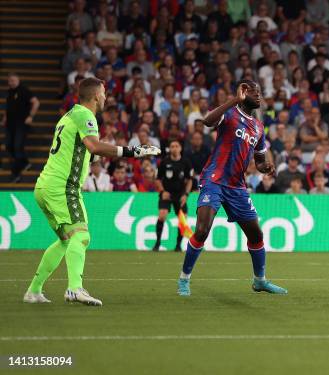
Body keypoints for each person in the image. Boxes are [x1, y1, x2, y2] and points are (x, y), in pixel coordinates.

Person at [24, 77, 160, 306]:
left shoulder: (69, 115)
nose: (106, 97)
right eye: (104, 93)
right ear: (96, 95)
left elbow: (83, 152)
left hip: (45, 186)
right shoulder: (85, 116)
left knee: (67, 241)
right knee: (82, 236)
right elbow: (94, 146)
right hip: (62, 188)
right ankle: (74, 289)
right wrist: (133, 151)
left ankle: (33, 291)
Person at [177, 80, 287, 296]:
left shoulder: (258, 127)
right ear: (244, 93)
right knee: (202, 229)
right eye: (255, 92)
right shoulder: (229, 113)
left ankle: (260, 281)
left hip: (237, 186)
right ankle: (184, 279)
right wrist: (234, 100)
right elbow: (207, 121)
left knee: (256, 234)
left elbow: (259, 159)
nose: (259, 96)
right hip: (214, 180)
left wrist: (266, 167)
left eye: (260, 92)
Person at [153, 140, 193, 252]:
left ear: (180, 148)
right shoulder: (164, 162)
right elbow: (157, 179)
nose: (174, 148)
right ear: (169, 149)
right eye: (172, 146)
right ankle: (157, 243)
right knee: (162, 215)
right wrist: (162, 192)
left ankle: (178, 245)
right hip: (167, 193)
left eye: (176, 146)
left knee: (182, 218)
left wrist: (186, 194)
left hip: (180, 195)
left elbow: (190, 180)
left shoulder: (186, 162)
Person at [2, 73, 39, 181]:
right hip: (10, 124)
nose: (11, 82)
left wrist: (31, 116)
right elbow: (8, 106)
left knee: (18, 147)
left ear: (18, 80)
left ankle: (16, 173)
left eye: (13, 80)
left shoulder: (24, 90)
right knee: (8, 146)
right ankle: (25, 162)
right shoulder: (9, 92)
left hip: (21, 124)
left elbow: (36, 102)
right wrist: (5, 117)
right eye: (9, 80)